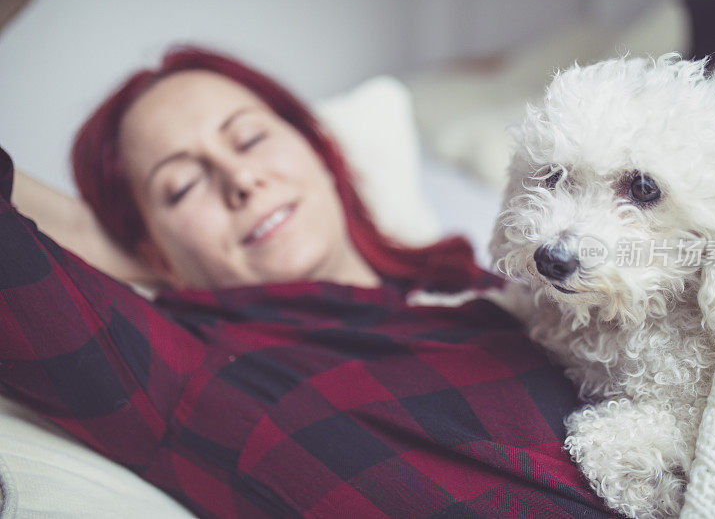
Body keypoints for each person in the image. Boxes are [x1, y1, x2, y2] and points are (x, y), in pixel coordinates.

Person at [0, 46, 617, 518]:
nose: (240, 179)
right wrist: (106, 239)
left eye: (250, 137)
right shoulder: (196, 375)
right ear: (152, 255)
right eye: (182, 186)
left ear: (319, 150)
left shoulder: (486, 284)